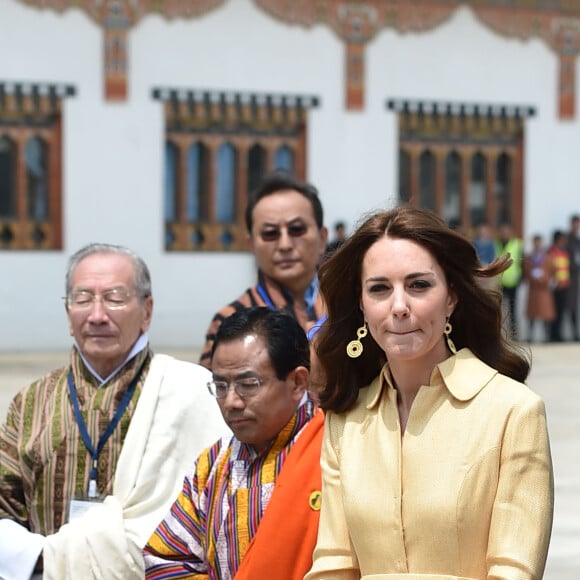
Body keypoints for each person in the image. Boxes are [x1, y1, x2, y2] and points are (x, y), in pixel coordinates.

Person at [305, 207, 554, 579]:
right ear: (361, 304)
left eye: (419, 285)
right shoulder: (346, 421)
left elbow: (514, 571)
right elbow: (333, 565)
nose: (400, 306)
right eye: (380, 289)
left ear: (451, 297)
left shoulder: (513, 412)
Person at [0, 243, 229, 580]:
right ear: (68, 313)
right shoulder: (32, 401)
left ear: (147, 311)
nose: (97, 315)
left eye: (114, 298)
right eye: (82, 299)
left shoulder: (191, 393)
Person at [144, 307, 324, 580]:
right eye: (220, 386)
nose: (231, 402)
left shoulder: (333, 449)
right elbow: (165, 559)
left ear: (298, 382)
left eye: (248, 384)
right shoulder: (213, 463)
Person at [199, 171, 328, 369]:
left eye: (296, 229)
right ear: (251, 245)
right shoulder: (230, 319)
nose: (285, 245)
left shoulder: (353, 307)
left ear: (322, 238)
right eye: (270, 233)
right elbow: (216, 395)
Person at [523, 234, 556, 343]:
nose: (537, 244)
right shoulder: (529, 257)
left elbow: (552, 272)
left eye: (539, 242)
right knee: (532, 314)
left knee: (545, 314)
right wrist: (532, 275)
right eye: (535, 242)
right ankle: (530, 336)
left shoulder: (547, 258)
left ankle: (547, 336)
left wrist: (543, 277)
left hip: (544, 289)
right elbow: (525, 272)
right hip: (533, 289)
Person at [495, 222, 524, 339]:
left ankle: (514, 335)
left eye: (507, 231)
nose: (504, 234)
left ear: (511, 232)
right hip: (498, 282)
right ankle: (498, 335)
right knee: (497, 311)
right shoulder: (495, 244)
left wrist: (521, 279)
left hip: (513, 283)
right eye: (502, 231)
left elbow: (522, 263)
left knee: (513, 310)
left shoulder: (517, 244)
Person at [547, 229, 571, 342]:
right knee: (553, 313)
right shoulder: (551, 251)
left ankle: (558, 334)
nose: (565, 241)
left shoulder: (565, 251)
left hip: (564, 286)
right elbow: (550, 269)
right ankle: (552, 335)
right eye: (563, 239)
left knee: (561, 312)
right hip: (555, 287)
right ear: (558, 239)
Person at [566, 214, 580, 340]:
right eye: (574, 223)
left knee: (574, 306)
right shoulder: (567, 240)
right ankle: (565, 334)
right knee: (566, 305)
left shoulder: (577, 240)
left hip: (575, 278)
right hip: (565, 277)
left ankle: (575, 333)